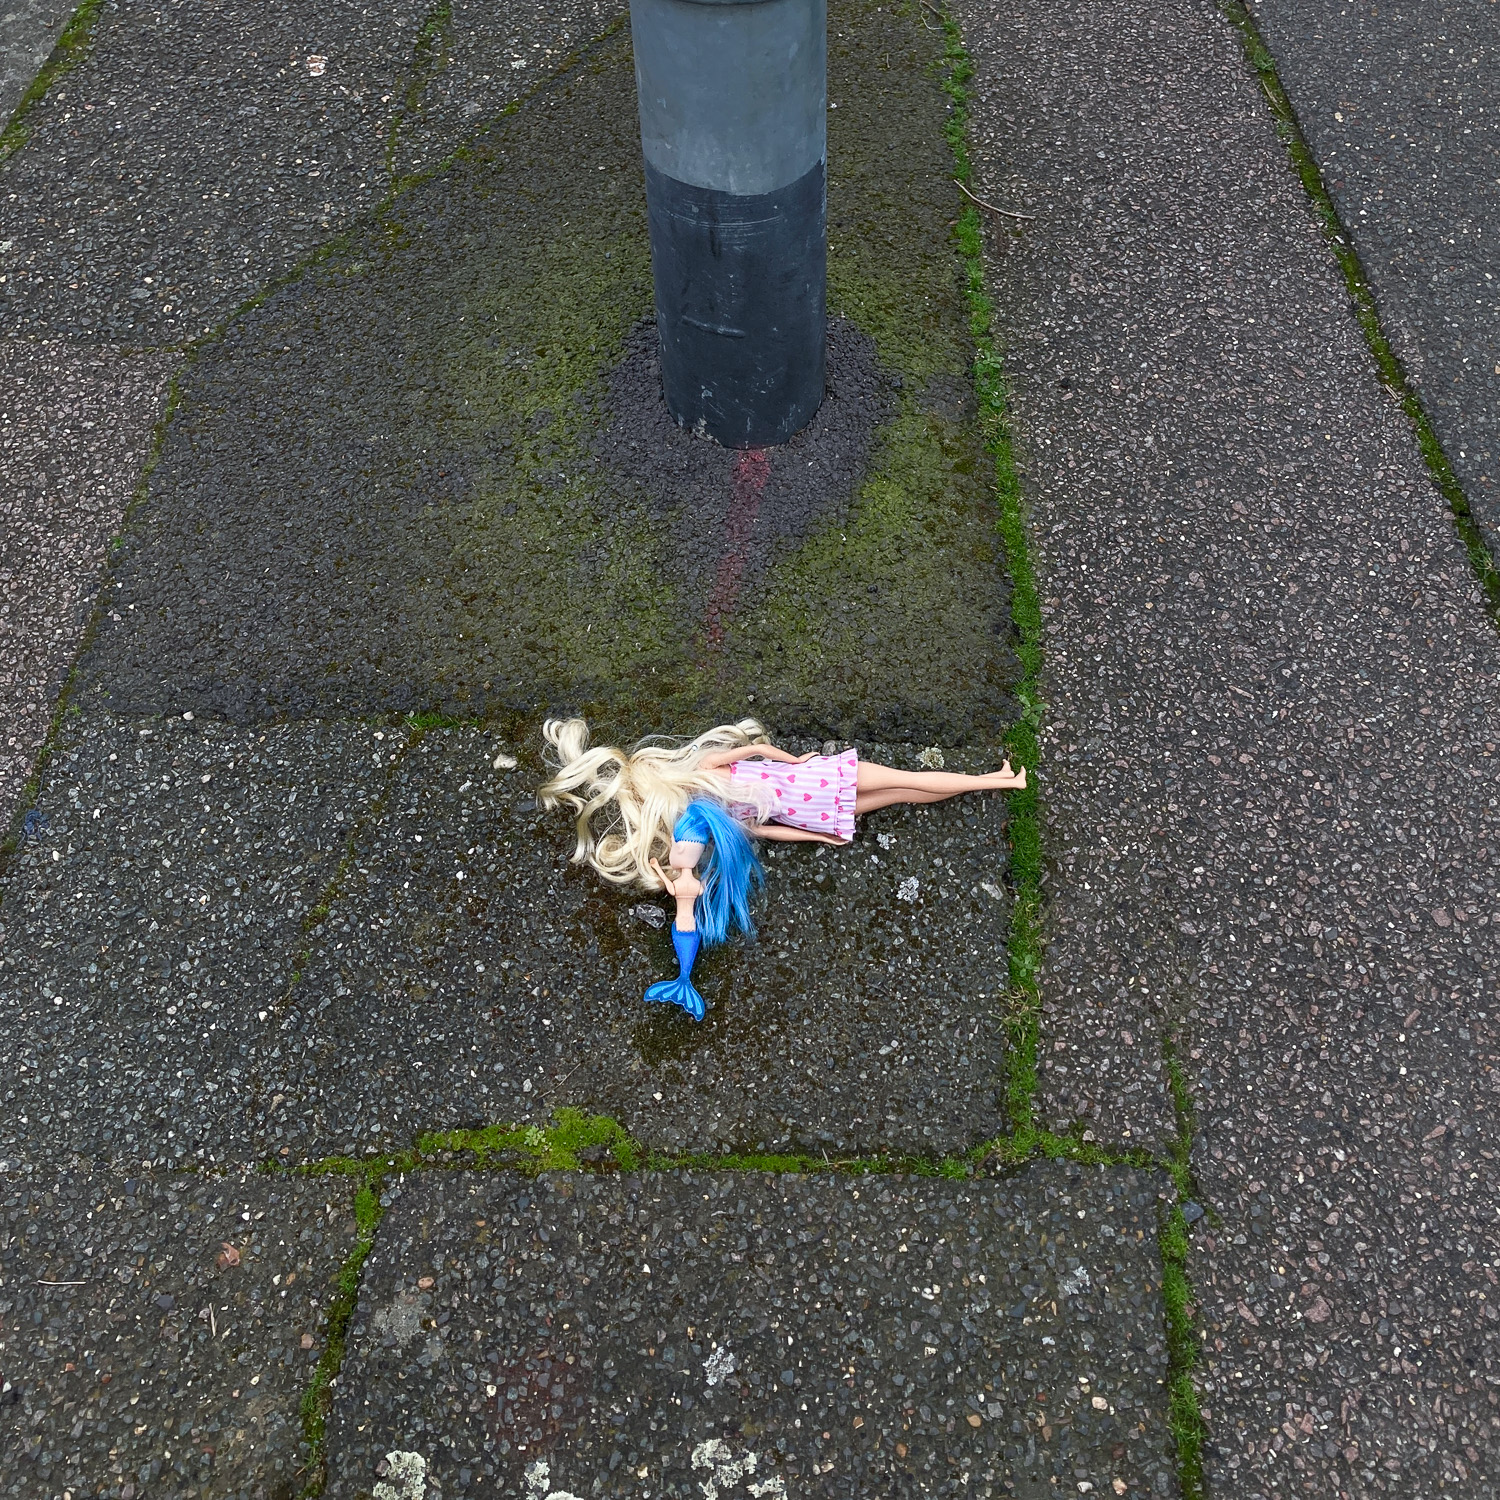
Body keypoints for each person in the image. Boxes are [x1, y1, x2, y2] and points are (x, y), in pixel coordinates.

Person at [536, 716, 1026, 1018]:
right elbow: (758, 751)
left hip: (812, 810)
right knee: (908, 780)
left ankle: (998, 780)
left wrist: (817, 833)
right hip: (816, 780)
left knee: (903, 793)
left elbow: (768, 830)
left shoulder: (718, 813)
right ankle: (998, 780)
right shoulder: (709, 776)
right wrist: (795, 761)